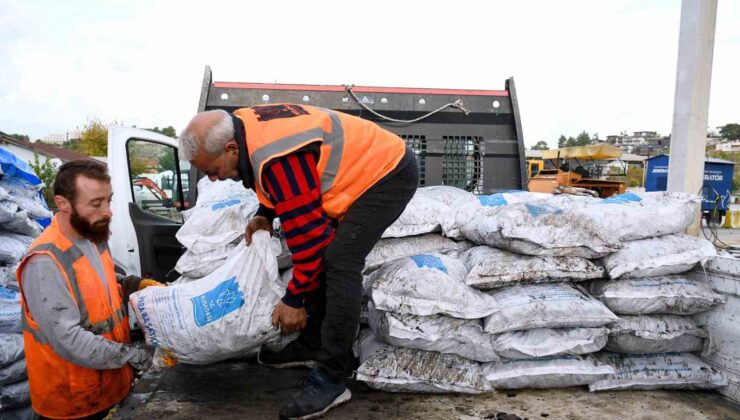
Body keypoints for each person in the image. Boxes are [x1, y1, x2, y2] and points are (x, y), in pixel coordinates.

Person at [180, 104, 418, 419]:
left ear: (230, 148)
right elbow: (269, 178)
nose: (213, 178)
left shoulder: (277, 157)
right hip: (364, 169)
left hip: (388, 173)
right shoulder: (241, 127)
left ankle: (334, 375)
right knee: (327, 254)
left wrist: (294, 299)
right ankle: (312, 343)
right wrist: (264, 213)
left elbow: (312, 242)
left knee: (338, 261)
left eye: (212, 169)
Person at [16, 159, 159, 420]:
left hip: (109, 386)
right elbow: (67, 338)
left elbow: (96, 281)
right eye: (96, 204)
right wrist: (130, 355)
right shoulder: (44, 261)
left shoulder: (92, 235)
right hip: (73, 402)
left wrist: (133, 284)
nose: (108, 212)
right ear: (63, 204)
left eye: (108, 201)